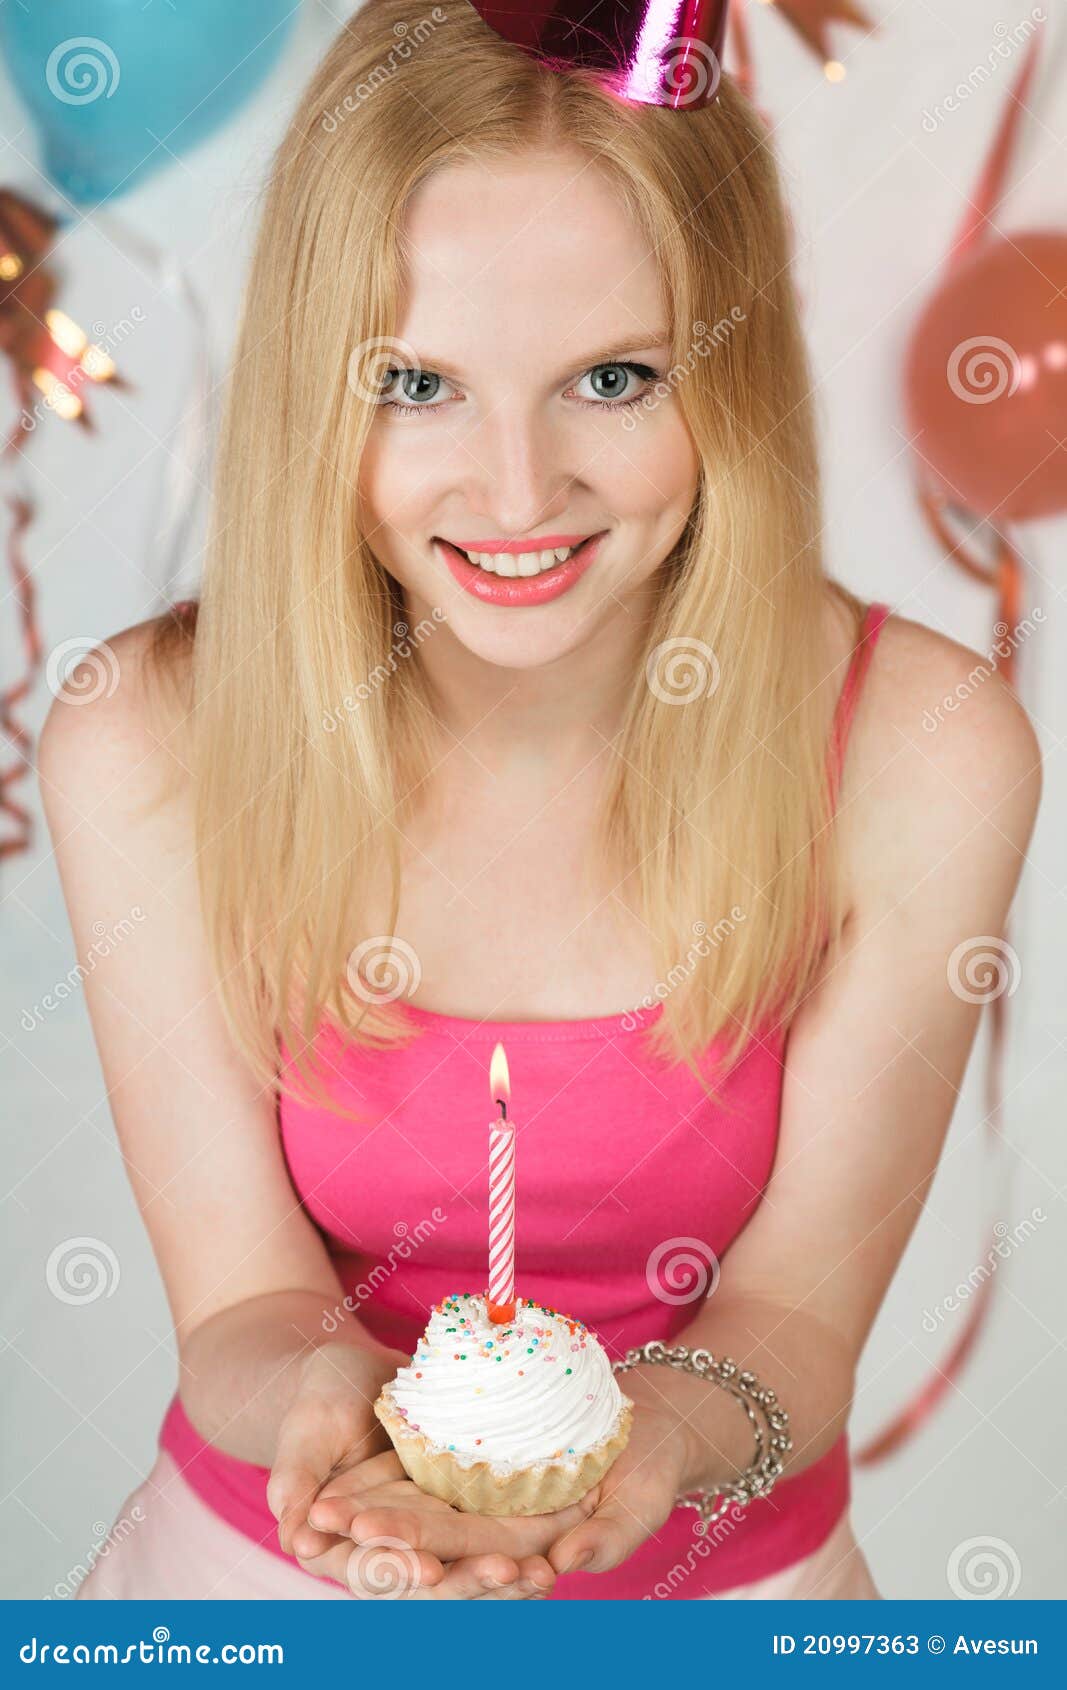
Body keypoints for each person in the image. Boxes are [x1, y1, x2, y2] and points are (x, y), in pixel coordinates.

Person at [40, 1, 1040, 1601]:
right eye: (418, 383)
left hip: (732, 1600)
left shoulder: (925, 746)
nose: (516, 492)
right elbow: (237, 1303)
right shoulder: (141, 738)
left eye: (614, 377)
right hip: (266, 1594)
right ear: (315, 386)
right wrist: (331, 1409)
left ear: (733, 375)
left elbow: (799, 1319)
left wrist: (650, 1439)